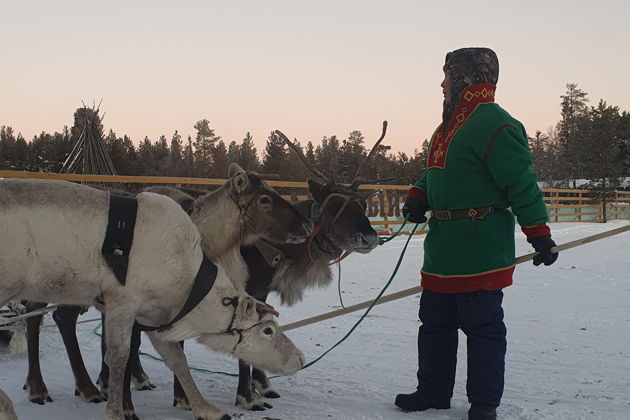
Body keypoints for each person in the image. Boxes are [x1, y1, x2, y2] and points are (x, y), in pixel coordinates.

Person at [395, 47, 558, 420]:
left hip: (480, 248)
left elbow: (522, 185)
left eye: (447, 74)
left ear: (466, 77)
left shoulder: (497, 124)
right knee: (434, 325)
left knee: (483, 330)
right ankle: (433, 392)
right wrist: (418, 195)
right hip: (442, 251)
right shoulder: (446, 128)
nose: (442, 83)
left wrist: (539, 233)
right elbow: (432, 172)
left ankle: (484, 404)